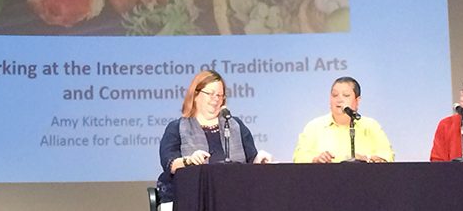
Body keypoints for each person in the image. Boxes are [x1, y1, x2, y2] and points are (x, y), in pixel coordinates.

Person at [156, 70, 272, 211]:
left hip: (235, 197)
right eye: (210, 94)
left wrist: (259, 161)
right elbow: (170, 164)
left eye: (220, 95)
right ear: (196, 94)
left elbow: (250, 162)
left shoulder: (235, 125)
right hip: (192, 198)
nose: (216, 99)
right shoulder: (177, 127)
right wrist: (189, 160)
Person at [293, 76, 394, 163]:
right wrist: (315, 159)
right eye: (334, 95)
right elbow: (298, 157)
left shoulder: (370, 126)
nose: (339, 100)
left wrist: (366, 159)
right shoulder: (314, 126)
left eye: (346, 95)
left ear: (357, 101)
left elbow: (388, 156)